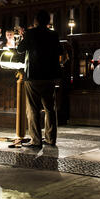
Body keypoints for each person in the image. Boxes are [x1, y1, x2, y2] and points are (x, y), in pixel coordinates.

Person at [17, 10, 62, 148]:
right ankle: (50, 139)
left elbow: (20, 49)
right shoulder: (53, 34)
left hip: (34, 76)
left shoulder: (31, 33)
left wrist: (24, 37)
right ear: (48, 21)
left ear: (36, 21)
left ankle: (36, 140)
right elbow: (60, 51)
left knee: (33, 109)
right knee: (50, 109)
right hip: (50, 76)